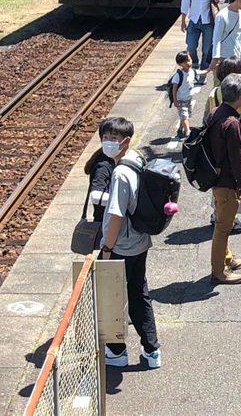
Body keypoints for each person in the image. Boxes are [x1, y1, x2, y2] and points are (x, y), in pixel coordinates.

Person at [98, 117, 161, 369]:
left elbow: (116, 215)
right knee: (139, 294)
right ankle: (151, 350)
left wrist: (106, 248)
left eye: (113, 139)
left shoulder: (120, 173)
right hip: (140, 241)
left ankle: (116, 352)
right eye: (104, 138)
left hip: (121, 246)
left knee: (112, 298)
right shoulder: (138, 159)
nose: (107, 143)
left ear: (125, 141)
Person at [205, 57, 241, 235]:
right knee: (236, 173)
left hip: (215, 137)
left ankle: (216, 213)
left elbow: (206, 115)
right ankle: (231, 219)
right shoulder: (239, 94)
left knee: (217, 178)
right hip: (236, 135)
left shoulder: (214, 92)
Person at [207, 74, 241, 285]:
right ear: (239, 97)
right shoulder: (232, 123)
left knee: (222, 222)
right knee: (223, 227)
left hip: (215, 179)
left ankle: (227, 258)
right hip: (227, 183)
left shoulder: (215, 113)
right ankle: (218, 271)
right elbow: (237, 157)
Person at [180, 0, 219, 76]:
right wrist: (183, 20)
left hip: (208, 22)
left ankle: (203, 70)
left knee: (207, 49)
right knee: (191, 46)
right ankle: (195, 62)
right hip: (194, 20)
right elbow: (185, 3)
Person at [211, 0, 241, 75]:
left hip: (237, 59)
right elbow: (216, 39)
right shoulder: (222, 15)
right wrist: (215, 58)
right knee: (222, 86)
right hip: (223, 58)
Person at [168, 50, 198, 141]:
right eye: (185, 62)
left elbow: (200, 72)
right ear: (180, 64)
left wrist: (210, 69)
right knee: (185, 117)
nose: (189, 63)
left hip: (188, 99)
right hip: (181, 100)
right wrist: (175, 100)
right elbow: (174, 88)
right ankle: (188, 132)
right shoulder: (178, 75)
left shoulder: (192, 71)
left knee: (184, 116)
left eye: (189, 60)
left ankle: (180, 130)